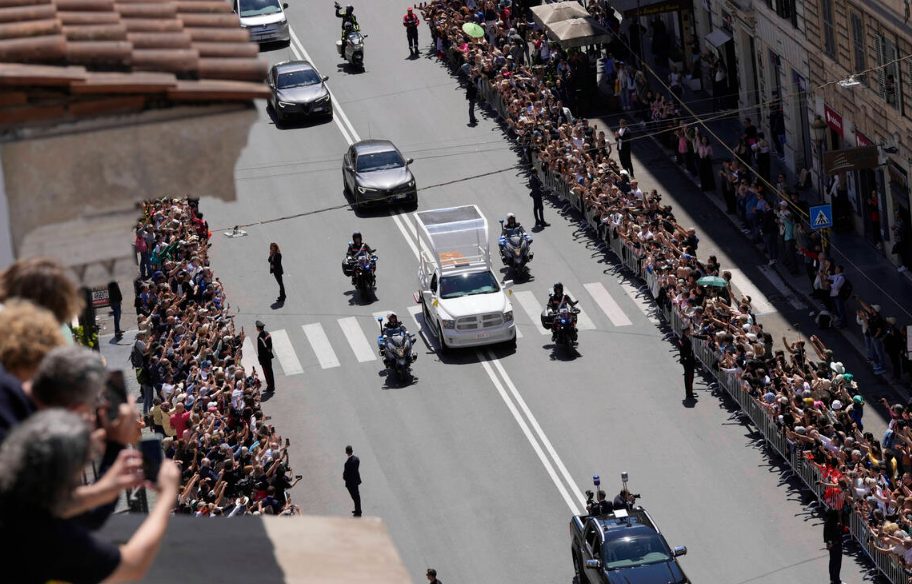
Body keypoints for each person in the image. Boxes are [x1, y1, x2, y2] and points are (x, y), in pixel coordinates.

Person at [0, 410, 180, 584]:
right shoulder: (49, 536)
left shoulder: (17, 502)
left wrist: (113, 454)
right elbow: (132, 565)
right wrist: (166, 497)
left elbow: (86, 513)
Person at [823, 508, 843, 584]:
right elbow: (838, 531)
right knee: (837, 563)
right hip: (836, 544)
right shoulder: (834, 524)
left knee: (832, 562)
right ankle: (836, 580)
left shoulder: (827, 522)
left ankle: (832, 579)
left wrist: (828, 542)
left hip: (832, 544)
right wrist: (830, 542)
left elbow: (825, 534)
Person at [676, 327, 697, 400]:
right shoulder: (684, 340)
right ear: (685, 331)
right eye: (688, 330)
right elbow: (685, 351)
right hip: (688, 361)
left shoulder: (683, 339)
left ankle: (689, 391)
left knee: (689, 377)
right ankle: (689, 393)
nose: (690, 331)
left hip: (687, 360)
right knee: (689, 377)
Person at [256, 320, 276, 393]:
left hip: (264, 358)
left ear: (258, 328)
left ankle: (270, 387)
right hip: (269, 356)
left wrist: (260, 359)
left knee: (267, 373)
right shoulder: (267, 333)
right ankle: (272, 385)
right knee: (270, 371)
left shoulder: (260, 338)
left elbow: (261, 350)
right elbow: (269, 346)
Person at [343, 444, 362, 517]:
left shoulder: (347, 464)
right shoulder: (357, 459)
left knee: (354, 497)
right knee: (357, 497)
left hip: (350, 484)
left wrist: (345, 478)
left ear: (346, 452)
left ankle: (358, 511)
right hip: (356, 481)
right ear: (352, 451)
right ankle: (357, 510)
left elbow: (345, 475)